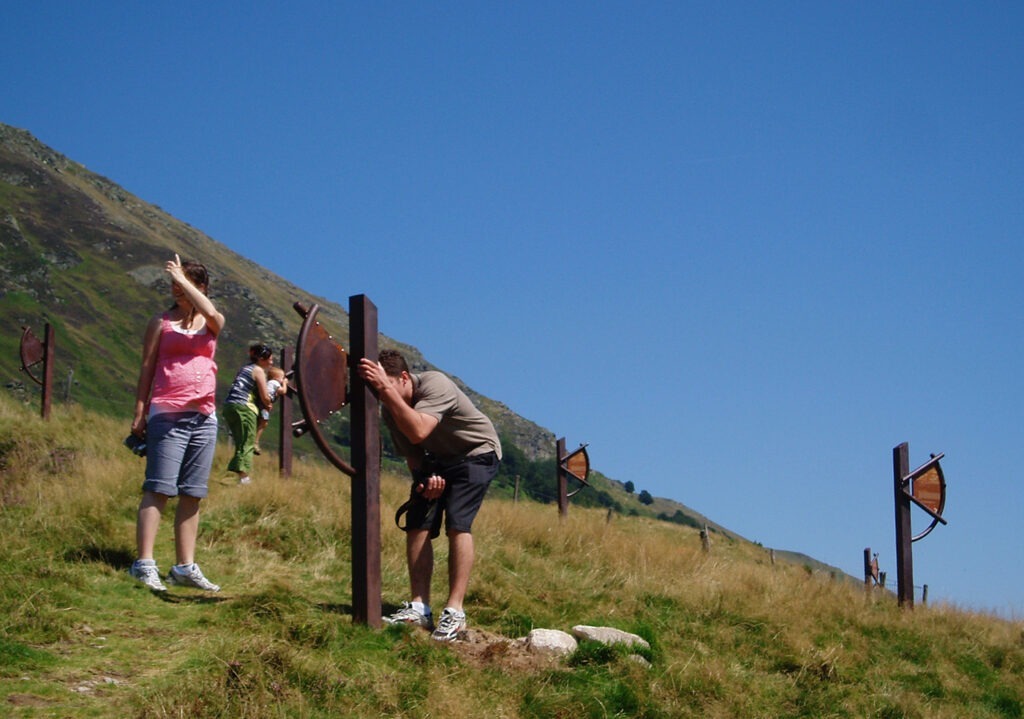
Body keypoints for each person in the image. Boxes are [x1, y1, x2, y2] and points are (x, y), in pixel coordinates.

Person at [358, 349, 502, 641]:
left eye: (384, 384)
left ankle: (455, 611)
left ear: (403, 378)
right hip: (440, 461)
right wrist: (425, 480)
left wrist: (386, 390)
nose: (381, 393)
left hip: (477, 453)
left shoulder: (435, 384)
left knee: (458, 523)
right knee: (417, 519)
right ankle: (419, 607)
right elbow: (414, 454)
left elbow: (419, 431)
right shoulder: (392, 407)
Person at [128, 254, 224, 592]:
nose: (176, 291)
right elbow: (147, 366)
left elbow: (211, 313)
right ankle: (144, 563)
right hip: (167, 411)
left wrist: (184, 281)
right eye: (173, 285)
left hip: (204, 416)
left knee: (193, 493)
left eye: (183, 285)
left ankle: (184, 566)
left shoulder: (212, 321)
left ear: (200, 288)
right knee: (159, 487)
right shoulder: (161, 322)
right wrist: (140, 410)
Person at [223, 344, 275, 484]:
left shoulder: (245, 368)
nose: (271, 362)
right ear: (262, 359)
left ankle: (236, 473)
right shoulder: (258, 371)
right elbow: (265, 396)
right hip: (244, 407)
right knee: (248, 441)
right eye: (270, 359)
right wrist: (270, 401)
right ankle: (243, 477)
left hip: (230, 406)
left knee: (241, 441)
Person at [254, 365, 287, 455]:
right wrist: (285, 383)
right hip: (264, 404)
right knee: (264, 422)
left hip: (262, 403)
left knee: (260, 421)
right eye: (282, 378)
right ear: (276, 378)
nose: (282, 379)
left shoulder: (269, 383)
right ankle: (255, 441)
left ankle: (254, 439)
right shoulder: (275, 383)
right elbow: (283, 391)